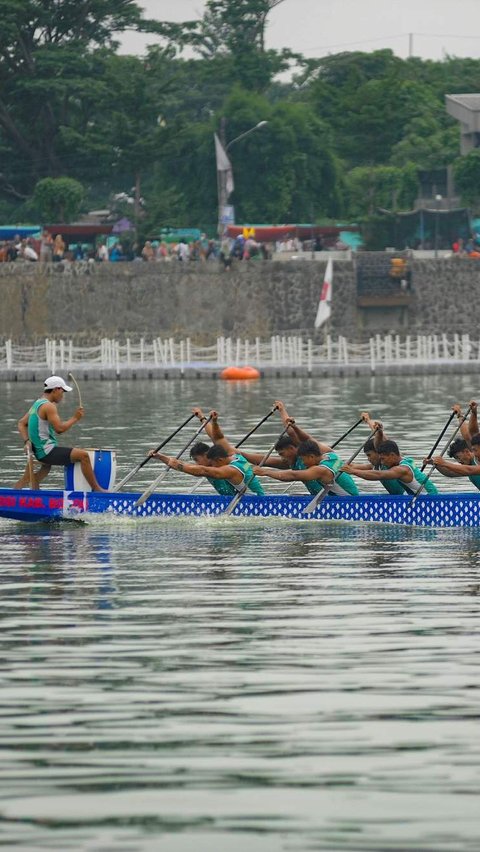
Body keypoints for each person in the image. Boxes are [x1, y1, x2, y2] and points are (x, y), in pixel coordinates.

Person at [15, 376, 107, 491]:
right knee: (83, 456)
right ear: (55, 389)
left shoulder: (37, 403)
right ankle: (97, 489)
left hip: (40, 451)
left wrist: (27, 441)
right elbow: (59, 429)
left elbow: (21, 423)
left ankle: (24, 495)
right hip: (46, 452)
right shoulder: (49, 406)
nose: (62, 395)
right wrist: (75, 418)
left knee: (37, 474)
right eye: (62, 391)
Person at [149, 444, 265, 496]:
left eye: (196, 460)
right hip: (253, 497)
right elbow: (218, 437)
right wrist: (161, 457)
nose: (196, 463)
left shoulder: (231, 470)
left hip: (255, 503)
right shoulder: (236, 457)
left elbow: (203, 471)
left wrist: (180, 467)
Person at [253, 439, 359, 496]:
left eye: (303, 459)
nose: (303, 463)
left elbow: (294, 475)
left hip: (350, 502)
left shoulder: (320, 470)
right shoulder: (331, 455)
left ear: (311, 456)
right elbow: (306, 438)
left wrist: (265, 472)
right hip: (349, 497)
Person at [343, 440, 438, 495]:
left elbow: (379, 475)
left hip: (432, 499)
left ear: (392, 455)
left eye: (383, 459)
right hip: (423, 497)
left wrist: (353, 471)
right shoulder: (402, 461)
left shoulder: (402, 469)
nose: (382, 462)